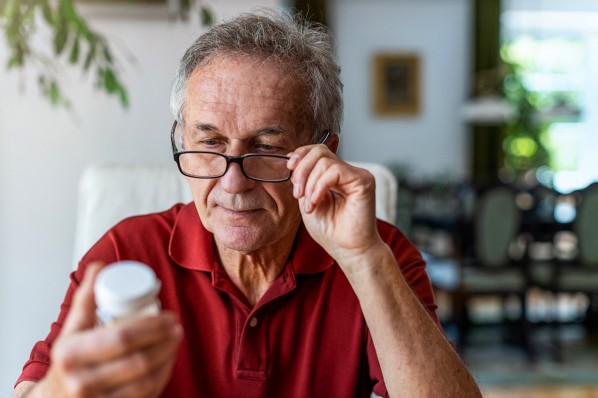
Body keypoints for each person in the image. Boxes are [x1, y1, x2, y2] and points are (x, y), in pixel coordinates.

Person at [12, 9, 481, 398]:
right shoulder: (126, 252)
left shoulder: (381, 256)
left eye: (268, 148)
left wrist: (364, 260)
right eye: (210, 143)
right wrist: (58, 388)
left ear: (324, 153)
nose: (233, 183)